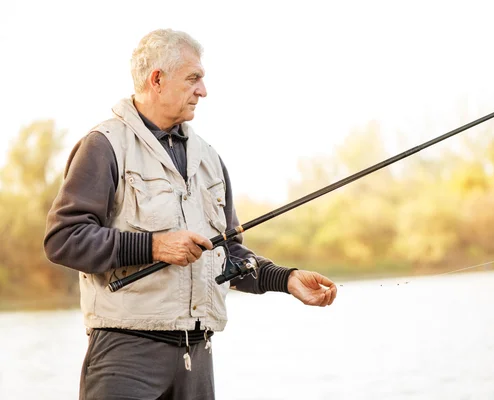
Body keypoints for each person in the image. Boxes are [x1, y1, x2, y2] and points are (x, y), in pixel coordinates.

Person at [44, 28, 337, 400]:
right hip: (125, 357)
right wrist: (153, 246)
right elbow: (64, 239)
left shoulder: (210, 159)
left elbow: (226, 254)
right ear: (157, 80)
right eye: (193, 78)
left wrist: (287, 279)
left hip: (198, 357)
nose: (203, 90)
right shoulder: (103, 146)